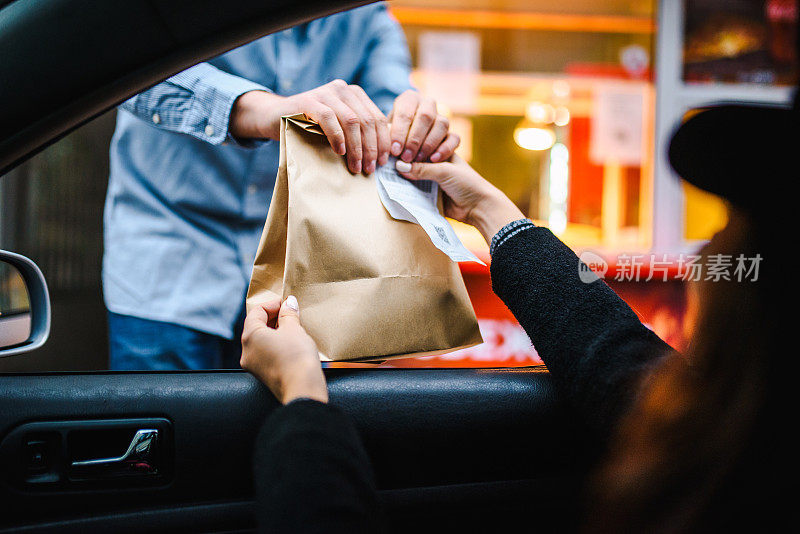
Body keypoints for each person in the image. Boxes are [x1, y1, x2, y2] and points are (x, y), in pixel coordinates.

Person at [240, 98, 796, 532]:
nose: (707, 251)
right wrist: (488, 208)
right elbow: (619, 363)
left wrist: (303, 398)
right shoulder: (743, 446)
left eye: (740, 222)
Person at [104, 3, 459, 370]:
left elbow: (391, 107)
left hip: (297, 285)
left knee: (292, 426)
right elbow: (127, 65)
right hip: (166, 266)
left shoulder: (365, 17)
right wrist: (261, 110)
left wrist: (412, 129)